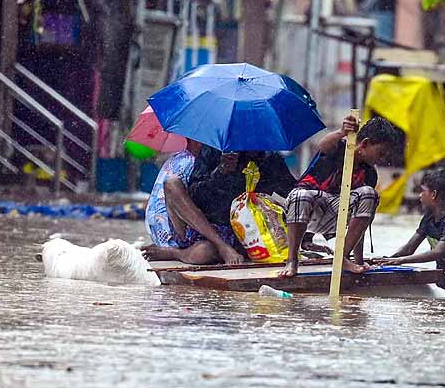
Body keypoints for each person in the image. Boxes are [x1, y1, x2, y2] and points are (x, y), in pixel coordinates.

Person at [279, 115, 396, 278]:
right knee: (301, 195)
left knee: (369, 194)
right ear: (365, 143)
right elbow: (323, 145)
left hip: (335, 217)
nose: (381, 159)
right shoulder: (338, 148)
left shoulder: (369, 174)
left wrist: (359, 261)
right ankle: (292, 260)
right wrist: (342, 132)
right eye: (380, 153)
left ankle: (342, 258)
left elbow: (361, 220)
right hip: (305, 212)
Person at [145, 146, 297, 264]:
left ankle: (178, 253)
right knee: (172, 183)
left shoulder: (269, 159)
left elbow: (292, 192)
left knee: (204, 252)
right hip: (200, 226)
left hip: (239, 233)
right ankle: (217, 247)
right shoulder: (212, 151)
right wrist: (220, 172)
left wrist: (302, 235)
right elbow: (195, 196)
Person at [383, 168, 445, 293]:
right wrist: (387, 261)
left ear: (433, 194)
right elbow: (408, 249)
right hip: (443, 277)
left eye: (423, 191)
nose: (420, 195)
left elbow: (438, 252)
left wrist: (401, 261)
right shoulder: (428, 218)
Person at [144, 139, 201, 250]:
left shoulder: (175, 158)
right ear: (195, 142)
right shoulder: (193, 162)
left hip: (156, 234)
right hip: (172, 237)